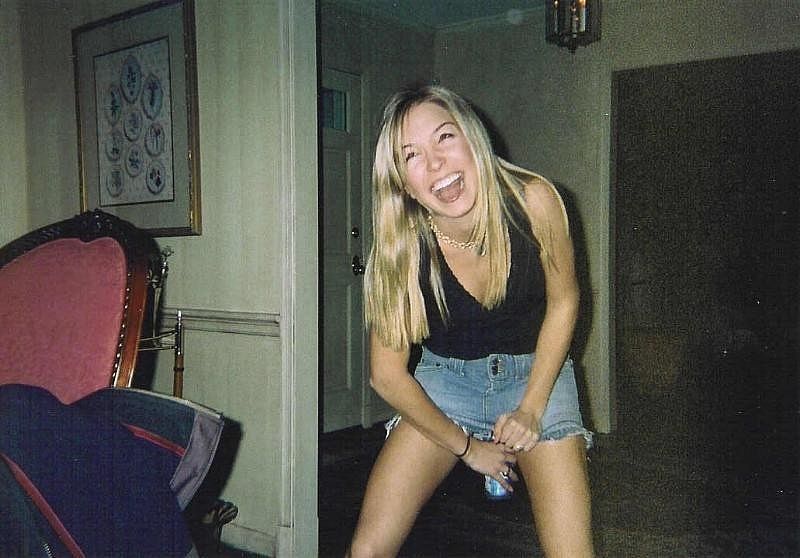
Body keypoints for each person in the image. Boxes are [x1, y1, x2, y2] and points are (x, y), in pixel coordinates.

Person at [347, 85, 594, 557]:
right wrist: (468, 448)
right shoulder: (402, 248)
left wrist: (531, 408)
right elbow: (386, 375)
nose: (435, 162)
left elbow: (564, 302)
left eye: (444, 137)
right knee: (367, 551)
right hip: (446, 381)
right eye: (411, 156)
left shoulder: (535, 202)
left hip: (536, 374)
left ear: (471, 136)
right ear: (403, 183)